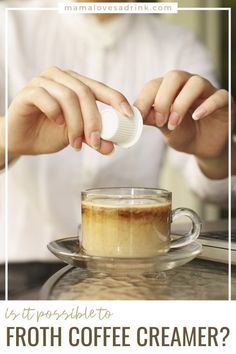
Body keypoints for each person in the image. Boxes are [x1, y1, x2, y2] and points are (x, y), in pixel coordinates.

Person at [0, 0, 235, 298]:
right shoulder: (9, 23)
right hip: (15, 273)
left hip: (134, 276)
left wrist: (217, 155)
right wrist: (7, 138)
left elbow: (216, 192)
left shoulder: (178, 45)